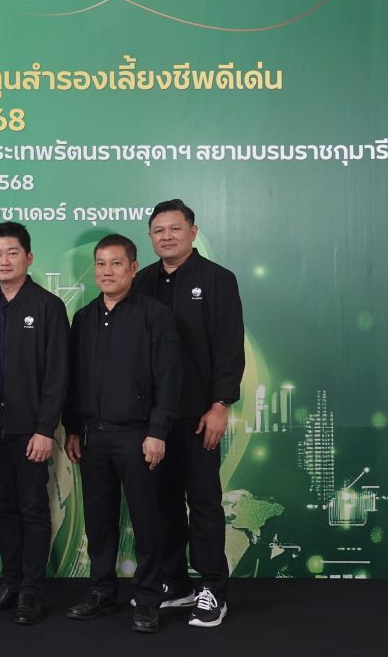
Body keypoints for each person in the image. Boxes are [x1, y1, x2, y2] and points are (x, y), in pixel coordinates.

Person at [132, 199, 245, 628]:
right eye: (158, 230)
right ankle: (175, 582)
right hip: (154, 420)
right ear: (150, 237)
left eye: (174, 229)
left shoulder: (218, 279)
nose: (167, 236)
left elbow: (229, 346)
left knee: (203, 503)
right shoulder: (142, 281)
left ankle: (213, 588)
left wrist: (220, 405)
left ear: (192, 233)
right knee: (162, 503)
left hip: (200, 416)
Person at [62, 234, 182, 634]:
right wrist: (73, 428)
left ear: (133, 268)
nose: (107, 271)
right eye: (100, 263)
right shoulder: (83, 318)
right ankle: (101, 591)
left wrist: (158, 431)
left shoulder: (155, 315)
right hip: (92, 436)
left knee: (147, 520)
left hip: (138, 435)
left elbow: (169, 376)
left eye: (116, 263)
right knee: (99, 520)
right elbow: (74, 379)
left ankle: (148, 598)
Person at [0, 222, 69, 625]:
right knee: (5, 508)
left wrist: (45, 429)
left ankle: (31, 590)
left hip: (30, 430)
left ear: (28, 257)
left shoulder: (48, 307)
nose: (4, 260)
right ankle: (9, 584)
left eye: (12, 253)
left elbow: (57, 375)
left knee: (33, 509)